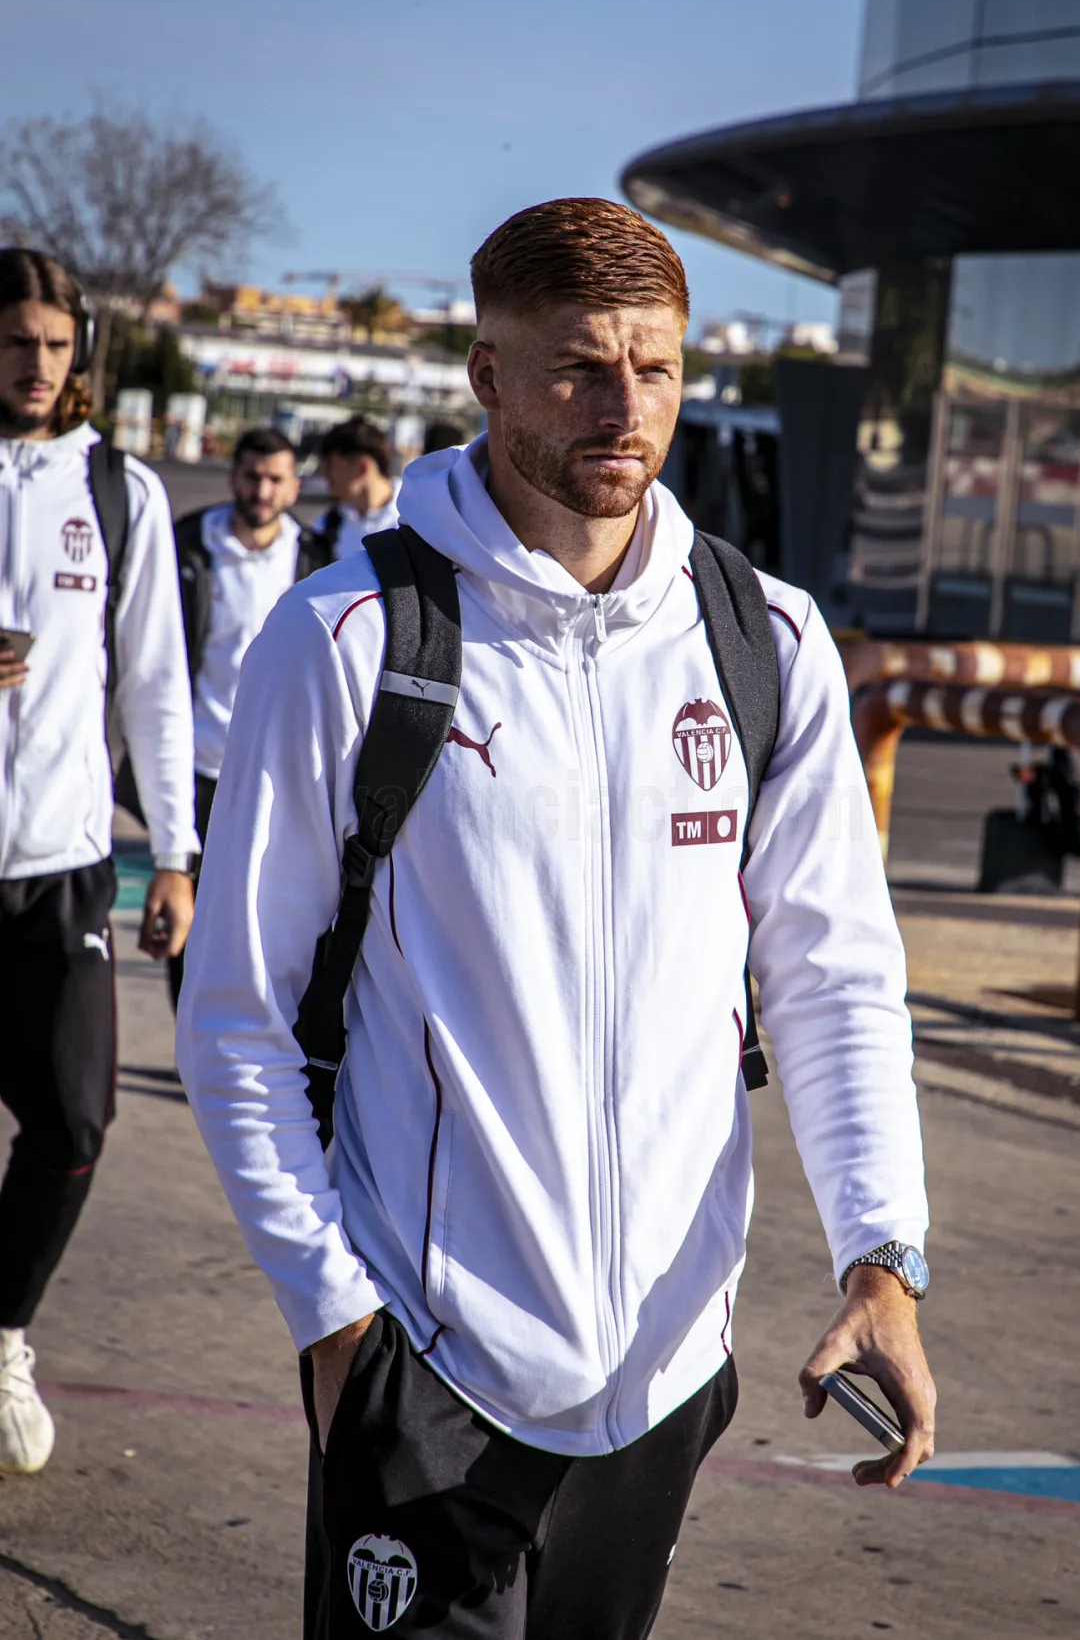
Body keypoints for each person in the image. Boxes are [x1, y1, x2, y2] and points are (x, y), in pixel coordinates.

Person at [178, 199, 933, 1639]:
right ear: (487, 374)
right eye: (581, 367)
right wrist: (335, 1320)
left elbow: (834, 978)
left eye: (655, 370)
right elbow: (236, 1015)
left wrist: (882, 1258)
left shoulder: (763, 642)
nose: (624, 408)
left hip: (663, 1370)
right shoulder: (345, 641)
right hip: (427, 1359)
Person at [0, 247, 198, 1475]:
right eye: (16, 342)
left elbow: (156, 686)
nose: (35, 365)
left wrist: (172, 853)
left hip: (65, 865)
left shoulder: (120, 491)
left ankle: (2, 1333)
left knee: (75, 1121)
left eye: (55, 346)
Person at [166, 427, 328, 1005]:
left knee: (267, 916)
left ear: (293, 486)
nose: (261, 490)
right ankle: (192, 1036)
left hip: (277, 772)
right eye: (252, 476)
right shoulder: (187, 545)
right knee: (191, 917)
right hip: (198, 768)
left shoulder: (316, 560)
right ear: (233, 476)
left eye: (275, 479)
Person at [314, 415, 399, 560]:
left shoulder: (415, 518)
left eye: (331, 466)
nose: (324, 475)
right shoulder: (326, 526)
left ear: (363, 467)